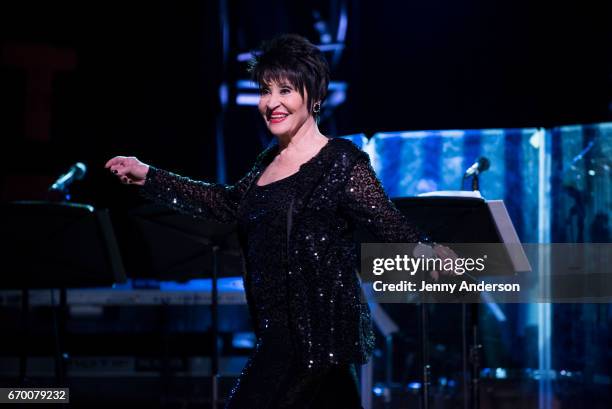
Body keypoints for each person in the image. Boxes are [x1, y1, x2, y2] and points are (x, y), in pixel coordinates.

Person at [105, 34, 453, 409]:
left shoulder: (340, 160)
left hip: (315, 334)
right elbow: (224, 203)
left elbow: (387, 222)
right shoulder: (266, 162)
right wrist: (148, 176)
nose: (271, 103)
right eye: (265, 91)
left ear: (314, 96)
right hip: (276, 330)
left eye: (284, 90)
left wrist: (428, 250)